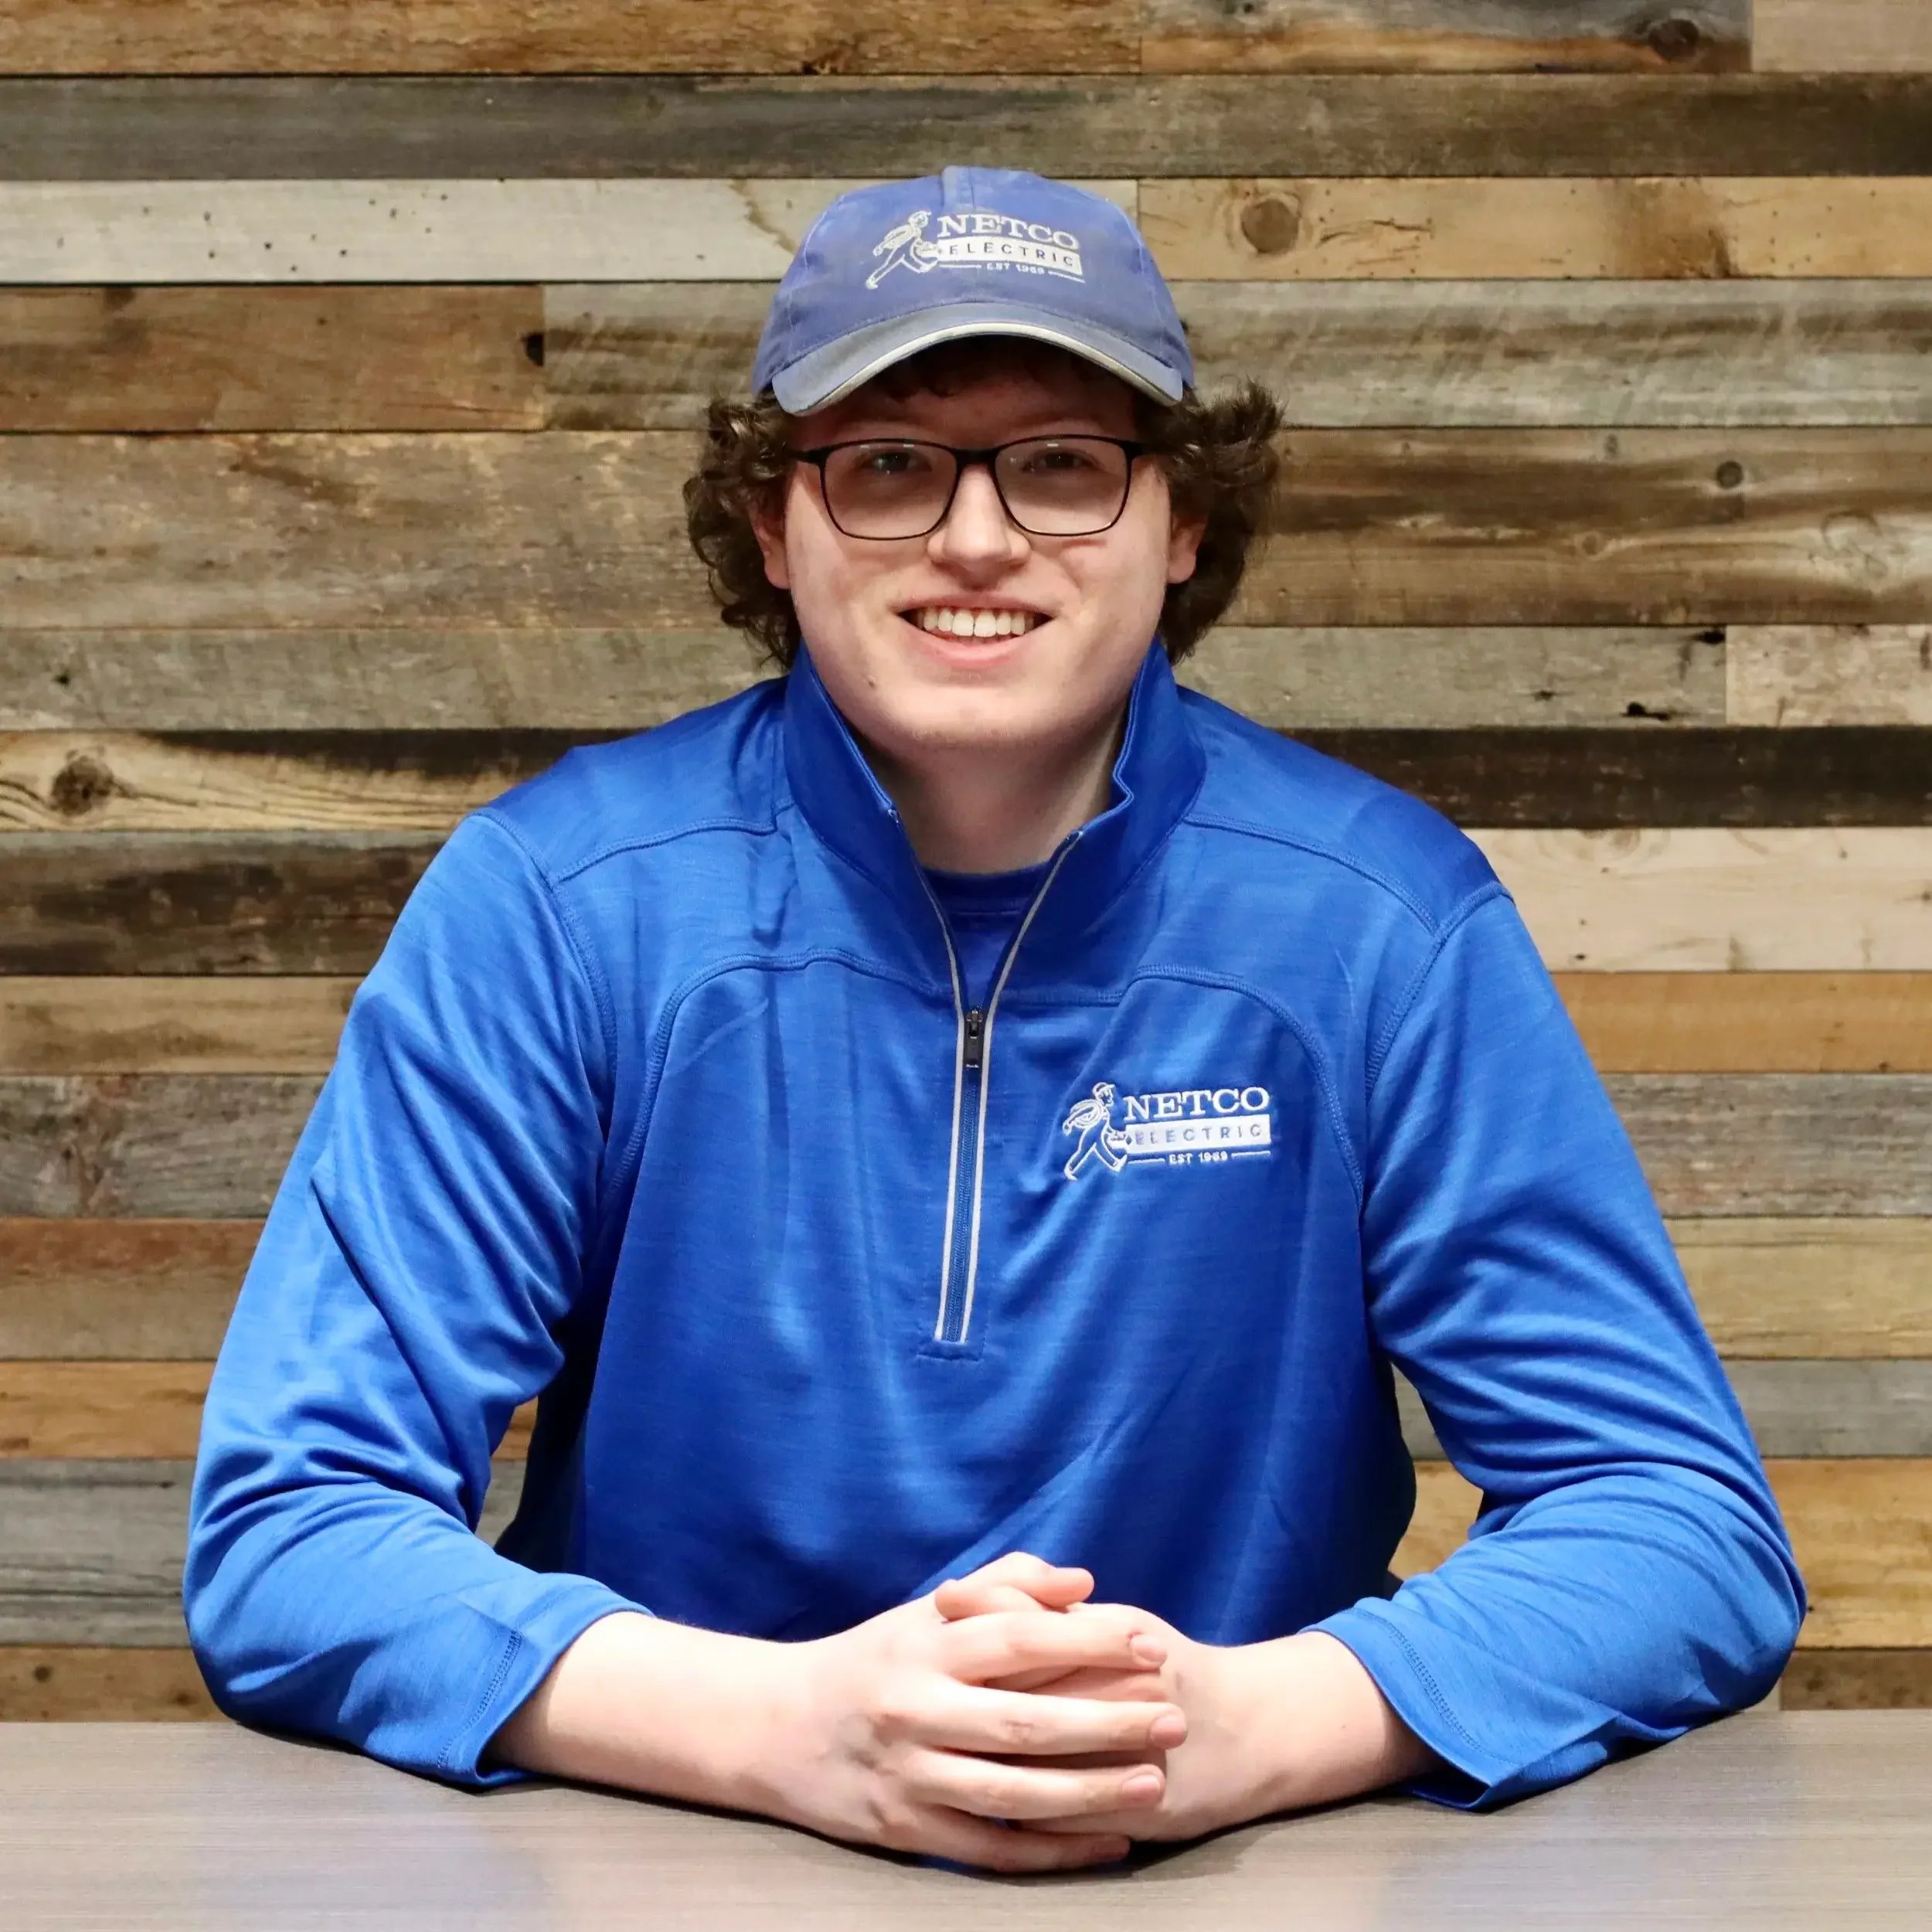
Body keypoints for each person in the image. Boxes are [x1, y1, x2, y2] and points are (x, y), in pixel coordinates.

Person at [183, 165, 1806, 1875]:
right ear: (770, 523)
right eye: (887, 463)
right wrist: (783, 1729)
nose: (974, 537)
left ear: (1178, 522)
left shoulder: (1380, 922)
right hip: (657, 1863)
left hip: (1236, 1881)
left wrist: (1241, 1726)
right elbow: (294, 1527)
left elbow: (1677, 1522)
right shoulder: (558, 902)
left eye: (1060, 464)